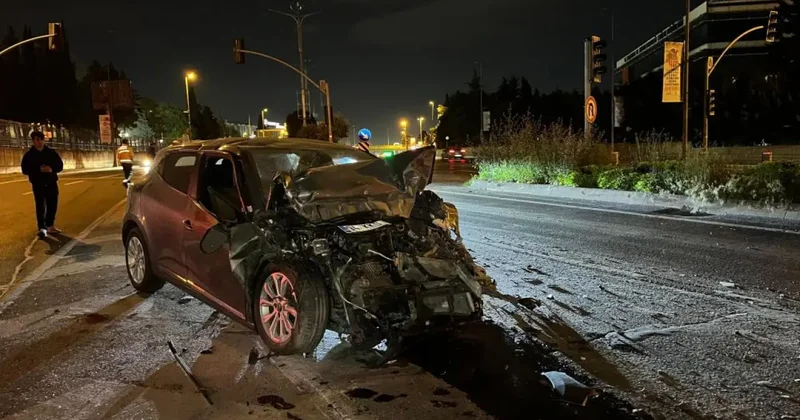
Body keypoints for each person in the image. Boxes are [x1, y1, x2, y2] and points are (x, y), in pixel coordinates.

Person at [20, 131, 63, 239]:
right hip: (38, 183)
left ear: (43, 140)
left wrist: (51, 169)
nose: (38, 142)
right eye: (36, 140)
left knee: (52, 204)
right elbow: (25, 169)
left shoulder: (51, 152)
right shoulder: (29, 155)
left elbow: (60, 165)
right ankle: (42, 228)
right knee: (40, 206)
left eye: (40, 139)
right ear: (33, 141)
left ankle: (50, 225)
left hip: (51, 182)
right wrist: (38, 169)